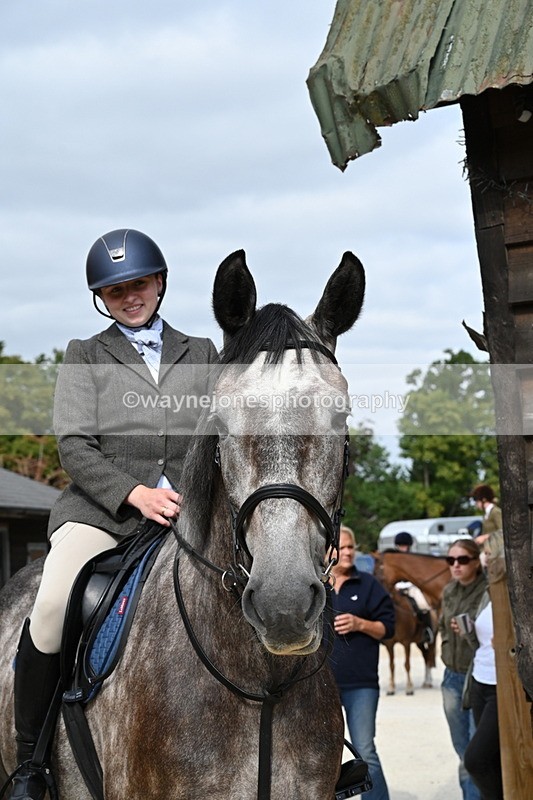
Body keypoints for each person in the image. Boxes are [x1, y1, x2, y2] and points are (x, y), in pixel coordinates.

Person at [8, 228, 218, 800]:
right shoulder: (85, 353)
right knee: (51, 605)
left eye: (140, 284)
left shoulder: (200, 351)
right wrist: (136, 493)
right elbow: (74, 445)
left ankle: (318, 741)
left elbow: (219, 435)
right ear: (102, 296)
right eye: (116, 289)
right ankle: (29, 763)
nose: (130, 296)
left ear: (161, 282)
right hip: (104, 512)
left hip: (192, 513)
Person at [329, 525, 395, 800]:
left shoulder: (368, 585)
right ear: (326, 551)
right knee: (324, 755)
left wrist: (360, 623)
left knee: (365, 750)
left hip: (361, 684)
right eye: (341, 548)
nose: (347, 553)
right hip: (321, 687)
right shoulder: (313, 585)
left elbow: (388, 629)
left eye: (350, 548)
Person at [439, 538, 487, 800]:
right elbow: (443, 627)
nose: (455, 565)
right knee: (461, 750)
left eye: (462, 560)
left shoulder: (487, 591)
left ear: (476, 561)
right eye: (450, 560)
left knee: (474, 753)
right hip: (451, 677)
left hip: (476, 676)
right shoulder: (448, 591)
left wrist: (470, 630)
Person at [460, 592, 503, 800]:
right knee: (492, 760)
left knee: (475, 760)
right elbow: (480, 642)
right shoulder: (490, 591)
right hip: (479, 681)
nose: (487, 557)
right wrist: (468, 630)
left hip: (502, 688)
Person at [393, 531, 434, 645]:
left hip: (411, 588)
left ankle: (427, 630)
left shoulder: (413, 558)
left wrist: (408, 585)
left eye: (405, 545)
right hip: (396, 588)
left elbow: (417, 577)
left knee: (423, 605)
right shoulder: (394, 559)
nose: (403, 548)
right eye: (401, 545)